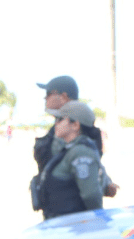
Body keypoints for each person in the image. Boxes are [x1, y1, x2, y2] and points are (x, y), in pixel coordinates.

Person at [32, 75, 119, 205]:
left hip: (74, 211)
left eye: (49, 93)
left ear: (64, 96)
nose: (45, 97)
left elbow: (90, 160)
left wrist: (106, 183)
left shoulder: (77, 127)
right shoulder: (62, 127)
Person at [37, 100, 104, 220]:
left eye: (60, 119)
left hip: (73, 227)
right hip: (63, 224)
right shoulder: (69, 148)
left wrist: (100, 220)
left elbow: (91, 195)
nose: (56, 124)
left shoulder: (80, 152)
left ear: (75, 125)